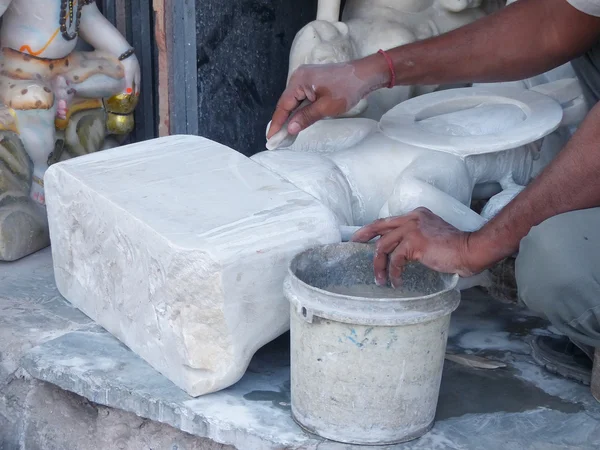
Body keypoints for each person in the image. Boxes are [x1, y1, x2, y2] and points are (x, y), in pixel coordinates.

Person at [267, 0, 600, 396]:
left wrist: (475, 244)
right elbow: (552, 23)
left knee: (556, 262)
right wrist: (371, 70)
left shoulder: (445, 170)